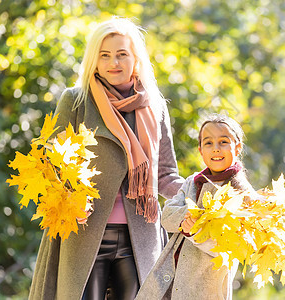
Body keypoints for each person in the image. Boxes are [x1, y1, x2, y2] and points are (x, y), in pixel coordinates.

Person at [28, 17, 184, 300]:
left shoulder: (155, 107)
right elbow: (49, 166)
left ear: (135, 58)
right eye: (105, 55)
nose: (114, 62)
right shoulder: (75, 101)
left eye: (122, 54)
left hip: (140, 238)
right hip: (83, 235)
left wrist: (198, 196)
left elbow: (165, 175)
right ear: (95, 61)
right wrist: (68, 197)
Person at [135, 114, 256, 300]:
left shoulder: (242, 195)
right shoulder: (192, 181)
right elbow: (167, 216)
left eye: (223, 142)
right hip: (166, 282)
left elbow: (229, 250)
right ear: (200, 150)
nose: (215, 149)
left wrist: (197, 232)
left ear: (237, 147)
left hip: (204, 289)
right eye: (208, 143)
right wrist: (194, 216)